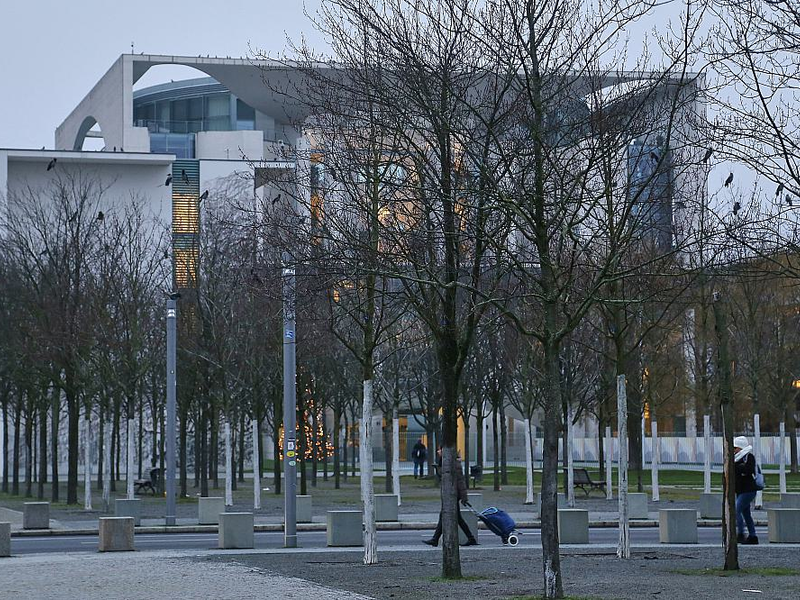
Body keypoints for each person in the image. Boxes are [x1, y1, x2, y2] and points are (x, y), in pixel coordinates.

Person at [423, 452, 478, 547]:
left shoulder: (454, 464)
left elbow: (460, 481)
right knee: (456, 518)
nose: (438, 452)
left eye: (440, 450)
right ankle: (470, 538)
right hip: (451, 494)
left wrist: (464, 497)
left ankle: (435, 539)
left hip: (453, 495)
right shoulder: (450, 463)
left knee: (445, 515)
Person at [734, 435, 759, 545]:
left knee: (736, 510)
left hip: (748, 490)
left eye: (735, 447)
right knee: (746, 514)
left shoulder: (749, 457)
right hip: (741, 490)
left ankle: (740, 534)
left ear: (741, 447)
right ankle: (753, 536)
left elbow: (749, 470)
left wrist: (738, 468)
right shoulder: (736, 458)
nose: (734, 450)